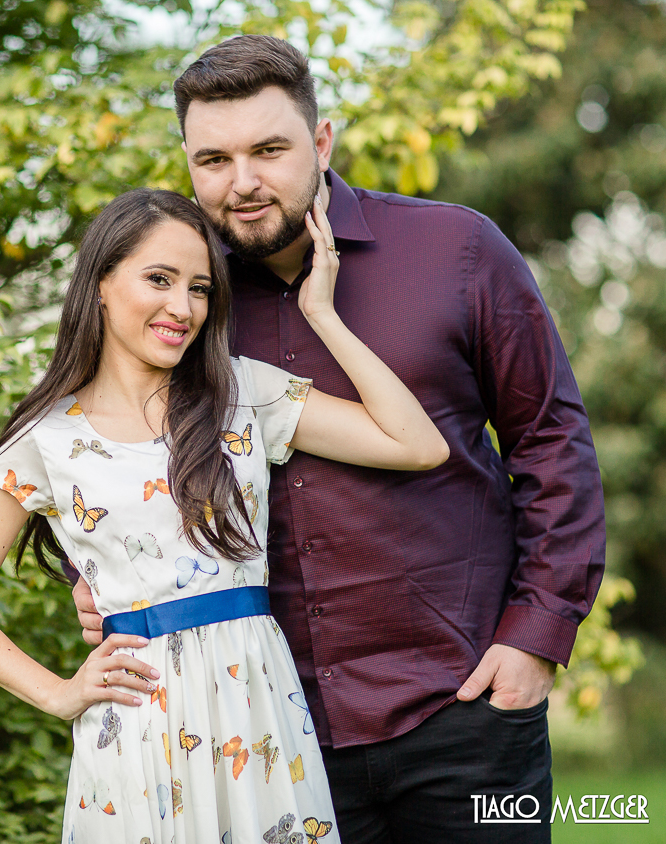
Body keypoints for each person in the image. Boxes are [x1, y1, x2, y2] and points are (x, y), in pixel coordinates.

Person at [70, 35, 606, 842]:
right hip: (264, 730)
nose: (242, 182)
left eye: (270, 150)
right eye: (212, 159)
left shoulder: (457, 251)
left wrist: (536, 637)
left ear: (321, 143)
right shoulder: (179, 303)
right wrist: (99, 573)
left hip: (464, 711)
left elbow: (549, 440)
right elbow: (117, 442)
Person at [0, 187, 448, 843]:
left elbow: (419, 446)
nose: (183, 307)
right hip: (137, 730)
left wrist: (323, 315)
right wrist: (58, 693)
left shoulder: (242, 394)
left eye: (199, 288)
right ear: (102, 284)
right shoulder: (47, 440)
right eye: (159, 279)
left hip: (257, 718)